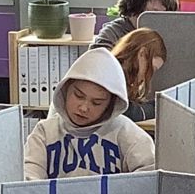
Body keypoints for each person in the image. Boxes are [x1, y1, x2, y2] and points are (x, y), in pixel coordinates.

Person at [22, 47, 156, 178]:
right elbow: (29, 177)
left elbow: (150, 176)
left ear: (110, 104)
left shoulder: (128, 134)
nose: (84, 108)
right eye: (78, 96)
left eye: (97, 103)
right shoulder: (44, 132)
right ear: (66, 89)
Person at [90, 0, 178, 52]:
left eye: (165, 14)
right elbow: (97, 59)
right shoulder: (112, 34)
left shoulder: (168, 34)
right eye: (154, 12)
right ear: (135, 7)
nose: (160, 20)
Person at [112, 27, 167, 123]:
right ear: (142, 54)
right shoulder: (113, 74)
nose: (149, 75)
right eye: (152, 69)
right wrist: (162, 107)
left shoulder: (117, 70)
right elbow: (128, 112)